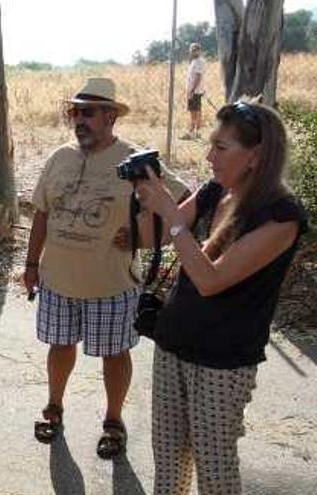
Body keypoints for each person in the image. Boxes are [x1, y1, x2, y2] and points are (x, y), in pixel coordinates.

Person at [136, 99, 308, 494]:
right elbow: (155, 237)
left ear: (256, 156)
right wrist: (146, 200)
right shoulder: (216, 191)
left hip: (223, 360)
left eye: (221, 147)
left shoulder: (282, 215)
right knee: (169, 464)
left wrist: (174, 218)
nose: (209, 156)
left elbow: (211, 279)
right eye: (211, 144)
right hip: (173, 341)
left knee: (214, 471)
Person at [22, 77, 188, 459]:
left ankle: (113, 421)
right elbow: (42, 214)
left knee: (115, 354)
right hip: (57, 281)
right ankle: (54, 408)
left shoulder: (136, 162)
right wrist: (31, 265)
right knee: (59, 346)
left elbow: (183, 203)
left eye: (89, 112)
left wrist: (143, 236)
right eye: (75, 112)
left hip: (112, 285)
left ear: (110, 116)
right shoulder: (59, 157)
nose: (79, 119)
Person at [182, 42, 207, 140]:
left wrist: (192, 90)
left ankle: (192, 132)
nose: (194, 52)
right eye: (192, 50)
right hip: (194, 91)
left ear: (199, 51)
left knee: (194, 112)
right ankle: (196, 132)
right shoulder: (194, 61)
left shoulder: (199, 62)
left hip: (195, 91)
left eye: (196, 50)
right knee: (196, 111)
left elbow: (198, 77)